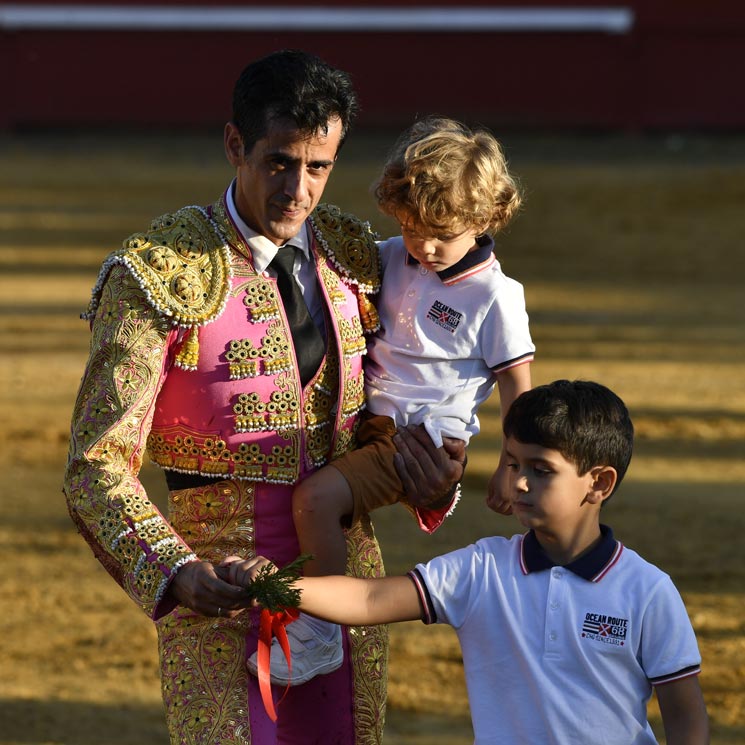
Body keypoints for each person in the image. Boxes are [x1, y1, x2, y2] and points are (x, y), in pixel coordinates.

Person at [63, 50, 464, 745]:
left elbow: (401, 401)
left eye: (318, 167)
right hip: (218, 593)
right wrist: (176, 567)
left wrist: (427, 476)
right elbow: (95, 464)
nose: (297, 190)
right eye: (278, 162)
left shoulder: (355, 258)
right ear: (234, 145)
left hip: (345, 587)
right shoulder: (159, 273)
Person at [225, 380, 710, 745]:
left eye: (542, 471)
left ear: (599, 483)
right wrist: (281, 586)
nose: (518, 482)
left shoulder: (648, 590)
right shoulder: (484, 570)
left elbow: (685, 716)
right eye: (514, 463)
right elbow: (371, 596)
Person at [282, 116, 534, 685]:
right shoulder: (395, 254)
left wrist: (510, 470)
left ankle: (319, 632)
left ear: (484, 218)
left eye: (441, 234)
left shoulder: (497, 296)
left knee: (313, 500)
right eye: (411, 227)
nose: (423, 245)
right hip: (366, 424)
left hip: (415, 441)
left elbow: (519, 391)